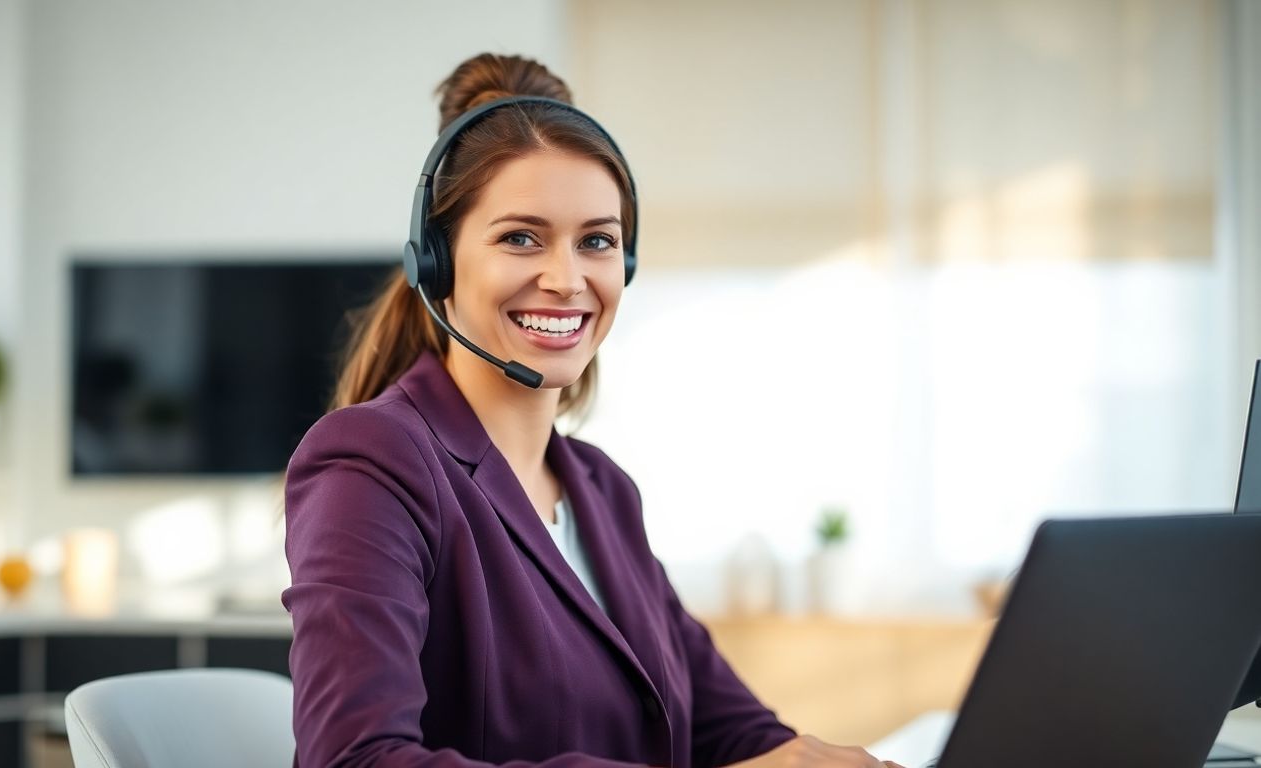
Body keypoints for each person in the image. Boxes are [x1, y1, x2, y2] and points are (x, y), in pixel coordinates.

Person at [280, 52, 906, 768]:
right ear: (438, 262)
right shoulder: (373, 463)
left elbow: (727, 729)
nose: (566, 278)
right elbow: (352, 760)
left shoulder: (603, 490)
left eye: (597, 242)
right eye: (521, 237)